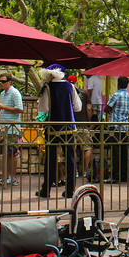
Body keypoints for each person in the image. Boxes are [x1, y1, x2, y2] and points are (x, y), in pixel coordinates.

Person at [36, 64, 82, 199]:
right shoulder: (71, 87)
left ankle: (46, 190)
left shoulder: (47, 88)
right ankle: (70, 190)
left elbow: (44, 109)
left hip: (52, 128)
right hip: (69, 128)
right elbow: (78, 108)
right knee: (70, 159)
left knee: (50, 159)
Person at [0, 73, 23, 186]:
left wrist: (3, 107)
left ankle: (13, 177)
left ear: (9, 82)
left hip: (12, 129)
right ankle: (6, 176)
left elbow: (20, 109)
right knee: (4, 153)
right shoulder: (2, 94)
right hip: (3, 128)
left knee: (11, 153)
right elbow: (1, 110)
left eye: (3, 81)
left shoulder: (15, 93)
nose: (1, 83)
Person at [105, 76, 129, 183]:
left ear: (118, 84)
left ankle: (116, 176)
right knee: (124, 152)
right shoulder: (128, 96)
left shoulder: (116, 95)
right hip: (125, 127)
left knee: (116, 152)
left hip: (115, 126)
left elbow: (107, 108)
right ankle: (124, 175)